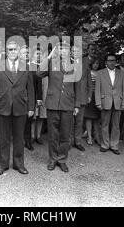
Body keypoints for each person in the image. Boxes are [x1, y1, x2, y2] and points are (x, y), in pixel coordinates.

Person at [0, 40, 35, 175]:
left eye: (15, 49)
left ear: (18, 51)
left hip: (20, 106)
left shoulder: (25, 66)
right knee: (4, 137)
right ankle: (2, 164)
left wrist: (31, 107)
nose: (12, 52)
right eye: (10, 50)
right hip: (3, 106)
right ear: (6, 51)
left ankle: (19, 164)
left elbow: (30, 88)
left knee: (19, 137)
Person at [37, 42, 80, 173]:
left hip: (67, 104)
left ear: (69, 51)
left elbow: (77, 86)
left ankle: (62, 160)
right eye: (61, 48)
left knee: (65, 134)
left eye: (66, 49)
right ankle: (53, 159)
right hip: (53, 103)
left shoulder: (75, 65)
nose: (63, 51)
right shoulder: (51, 63)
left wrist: (77, 104)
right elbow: (39, 73)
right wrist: (49, 56)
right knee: (53, 134)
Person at [95, 53, 124, 155]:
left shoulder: (121, 73)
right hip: (105, 102)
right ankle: (105, 144)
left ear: (116, 62)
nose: (112, 62)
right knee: (104, 124)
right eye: (109, 60)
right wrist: (98, 102)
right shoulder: (100, 73)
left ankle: (114, 145)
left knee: (116, 125)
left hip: (118, 102)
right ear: (105, 62)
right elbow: (97, 90)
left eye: (113, 60)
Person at [71, 45, 92, 151]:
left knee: (79, 121)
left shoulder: (85, 64)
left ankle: (77, 141)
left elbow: (89, 81)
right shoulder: (66, 63)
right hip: (69, 97)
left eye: (77, 51)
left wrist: (89, 95)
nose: (75, 53)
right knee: (69, 121)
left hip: (82, 97)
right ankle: (68, 141)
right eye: (73, 51)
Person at [30, 48, 46, 145]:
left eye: (40, 54)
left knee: (41, 116)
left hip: (43, 93)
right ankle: (32, 136)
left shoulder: (43, 66)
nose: (39, 56)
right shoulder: (30, 66)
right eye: (37, 54)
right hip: (34, 94)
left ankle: (38, 136)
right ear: (33, 55)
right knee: (33, 117)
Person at [84, 59, 101, 146]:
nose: (96, 65)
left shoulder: (101, 73)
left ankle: (97, 136)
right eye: (94, 63)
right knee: (89, 117)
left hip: (98, 97)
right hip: (90, 96)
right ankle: (89, 136)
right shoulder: (88, 72)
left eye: (97, 63)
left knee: (97, 118)